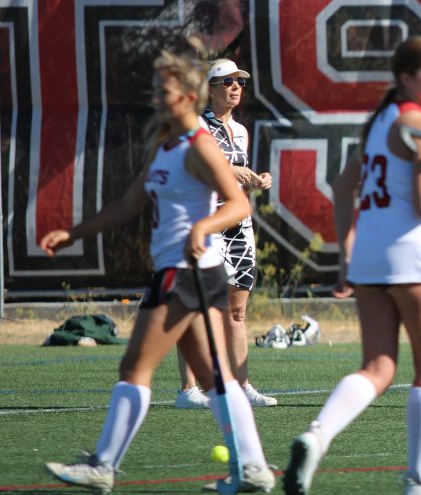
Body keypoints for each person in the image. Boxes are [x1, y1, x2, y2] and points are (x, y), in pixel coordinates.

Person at [40, 45, 274, 493]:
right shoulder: (165, 143)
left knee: (134, 366)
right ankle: (255, 468)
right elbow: (129, 203)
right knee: (212, 377)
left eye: (164, 89)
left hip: (187, 274)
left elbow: (239, 203)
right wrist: (74, 234)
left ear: (187, 95)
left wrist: (203, 226)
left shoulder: (199, 145)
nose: (156, 96)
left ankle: (103, 465)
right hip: (178, 273)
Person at [283, 36, 421, 495]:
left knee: (377, 366)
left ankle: (317, 436)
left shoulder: (380, 122)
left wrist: (346, 255)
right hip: (412, 258)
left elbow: (341, 186)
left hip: (371, 260)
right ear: (405, 77)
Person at [176, 58, 277, 409]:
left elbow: (236, 180)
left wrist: (257, 180)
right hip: (208, 222)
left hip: (238, 225)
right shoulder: (197, 127)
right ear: (211, 89)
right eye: (228, 82)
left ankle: (241, 385)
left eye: (240, 82)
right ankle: (189, 390)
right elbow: (197, 169)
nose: (236, 87)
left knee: (237, 311)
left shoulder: (242, 130)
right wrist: (234, 169)